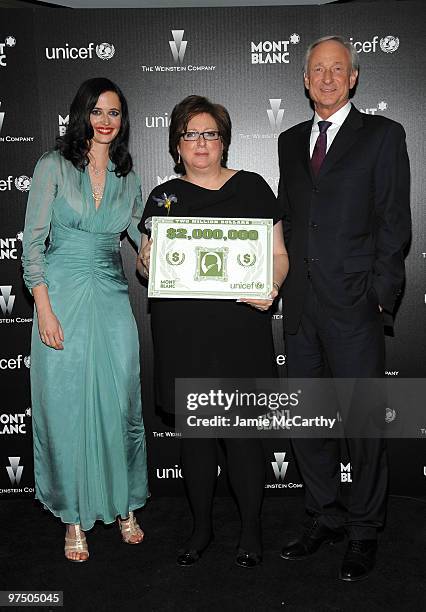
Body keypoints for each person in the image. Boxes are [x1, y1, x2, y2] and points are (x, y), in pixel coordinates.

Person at [277, 36, 411, 581]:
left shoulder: (382, 135)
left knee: (361, 425)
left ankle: (363, 530)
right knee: (310, 422)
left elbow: (394, 222)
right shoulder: (289, 141)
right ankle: (324, 515)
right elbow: (287, 221)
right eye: (318, 70)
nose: (328, 78)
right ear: (305, 81)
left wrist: (378, 294)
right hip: (301, 306)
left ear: (353, 78)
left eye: (338, 69)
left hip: (354, 306)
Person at [138, 95, 288, 567]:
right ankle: (200, 528)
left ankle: (250, 531)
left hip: (240, 327)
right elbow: (148, 261)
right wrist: (147, 260)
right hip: (184, 332)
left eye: (210, 133)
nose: (200, 143)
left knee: (242, 436)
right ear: (176, 144)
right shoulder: (164, 195)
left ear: (223, 141)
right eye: (190, 134)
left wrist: (273, 286)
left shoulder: (253, 187)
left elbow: (279, 254)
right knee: (197, 438)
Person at [22, 78, 149, 562]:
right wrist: (44, 309)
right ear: (82, 115)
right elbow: (32, 244)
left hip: (113, 300)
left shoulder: (127, 176)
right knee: (69, 408)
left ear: (123, 122)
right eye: (97, 111)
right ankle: (74, 515)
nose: (105, 120)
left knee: (120, 405)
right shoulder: (52, 166)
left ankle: (123, 505)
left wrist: (163, 256)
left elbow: (143, 242)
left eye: (114, 113)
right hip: (62, 297)